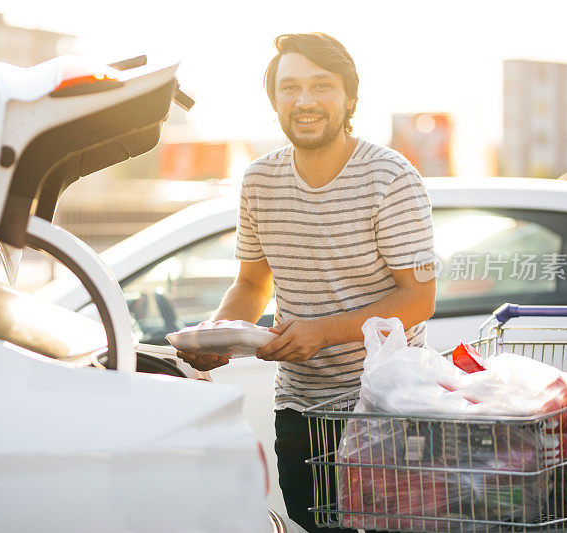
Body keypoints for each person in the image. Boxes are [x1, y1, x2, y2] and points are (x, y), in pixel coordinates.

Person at [177, 32, 437, 533]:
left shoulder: (391, 178)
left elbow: (419, 298)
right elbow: (253, 283)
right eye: (290, 87)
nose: (305, 101)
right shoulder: (259, 180)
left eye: (322, 86)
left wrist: (321, 331)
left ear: (349, 98)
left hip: (384, 405)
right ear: (274, 99)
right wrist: (216, 334)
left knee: (389, 526)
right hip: (299, 405)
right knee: (312, 522)